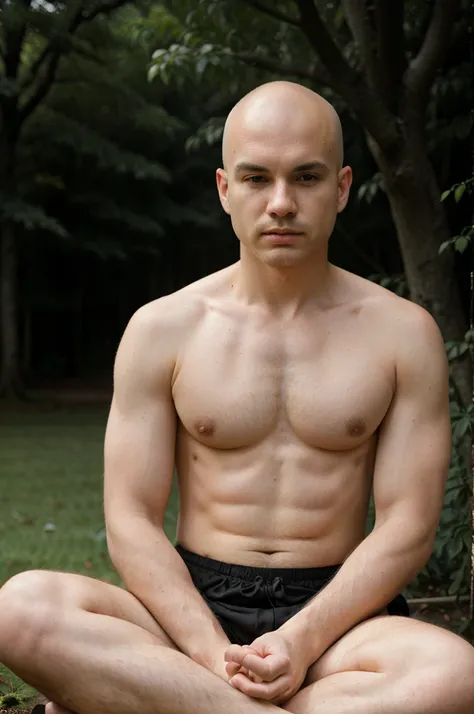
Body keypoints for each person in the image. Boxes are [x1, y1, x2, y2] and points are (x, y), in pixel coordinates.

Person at [0, 80, 473, 714]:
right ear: (225, 190)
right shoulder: (161, 328)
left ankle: (158, 702)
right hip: (188, 607)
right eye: (257, 179)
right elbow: (131, 520)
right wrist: (207, 653)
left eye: (306, 178)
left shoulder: (401, 333)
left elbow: (409, 527)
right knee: (20, 610)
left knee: (456, 673)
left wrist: (300, 641)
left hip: (337, 617)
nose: (281, 203)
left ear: (340, 188)